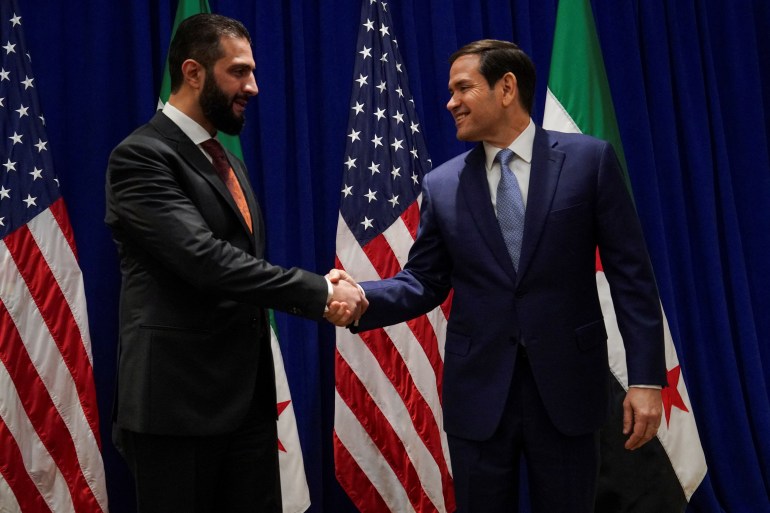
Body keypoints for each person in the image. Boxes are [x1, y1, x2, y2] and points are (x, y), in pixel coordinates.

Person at [335, 39, 666, 512]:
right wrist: (364, 298)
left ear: (506, 87)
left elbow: (631, 276)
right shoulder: (442, 185)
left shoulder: (589, 162)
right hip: (479, 396)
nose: (450, 102)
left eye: (462, 88)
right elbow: (425, 281)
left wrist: (646, 379)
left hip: (568, 390)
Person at [105, 14, 365, 513]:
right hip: (176, 408)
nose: (254, 86)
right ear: (193, 72)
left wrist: (319, 288)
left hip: (245, 402)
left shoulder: (225, 160)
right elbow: (205, 260)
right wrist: (320, 292)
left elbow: (239, 264)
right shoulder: (141, 156)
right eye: (239, 72)